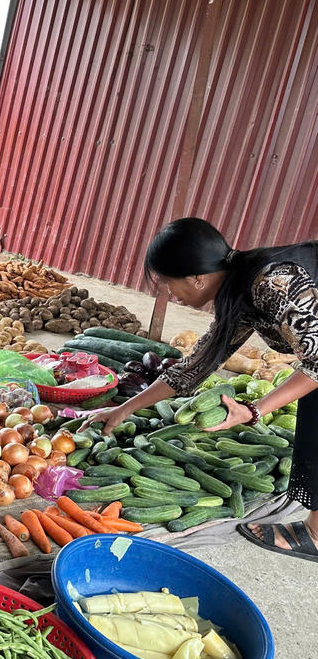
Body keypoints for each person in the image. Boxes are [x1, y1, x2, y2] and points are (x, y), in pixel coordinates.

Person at [89, 217, 318, 561]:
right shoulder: (240, 289)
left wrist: (255, 410)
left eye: (168, 284)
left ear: (196, 278)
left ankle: (315, 535)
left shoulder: (271, 285)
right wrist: (124, 409)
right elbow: (193, 368)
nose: (171, 295)